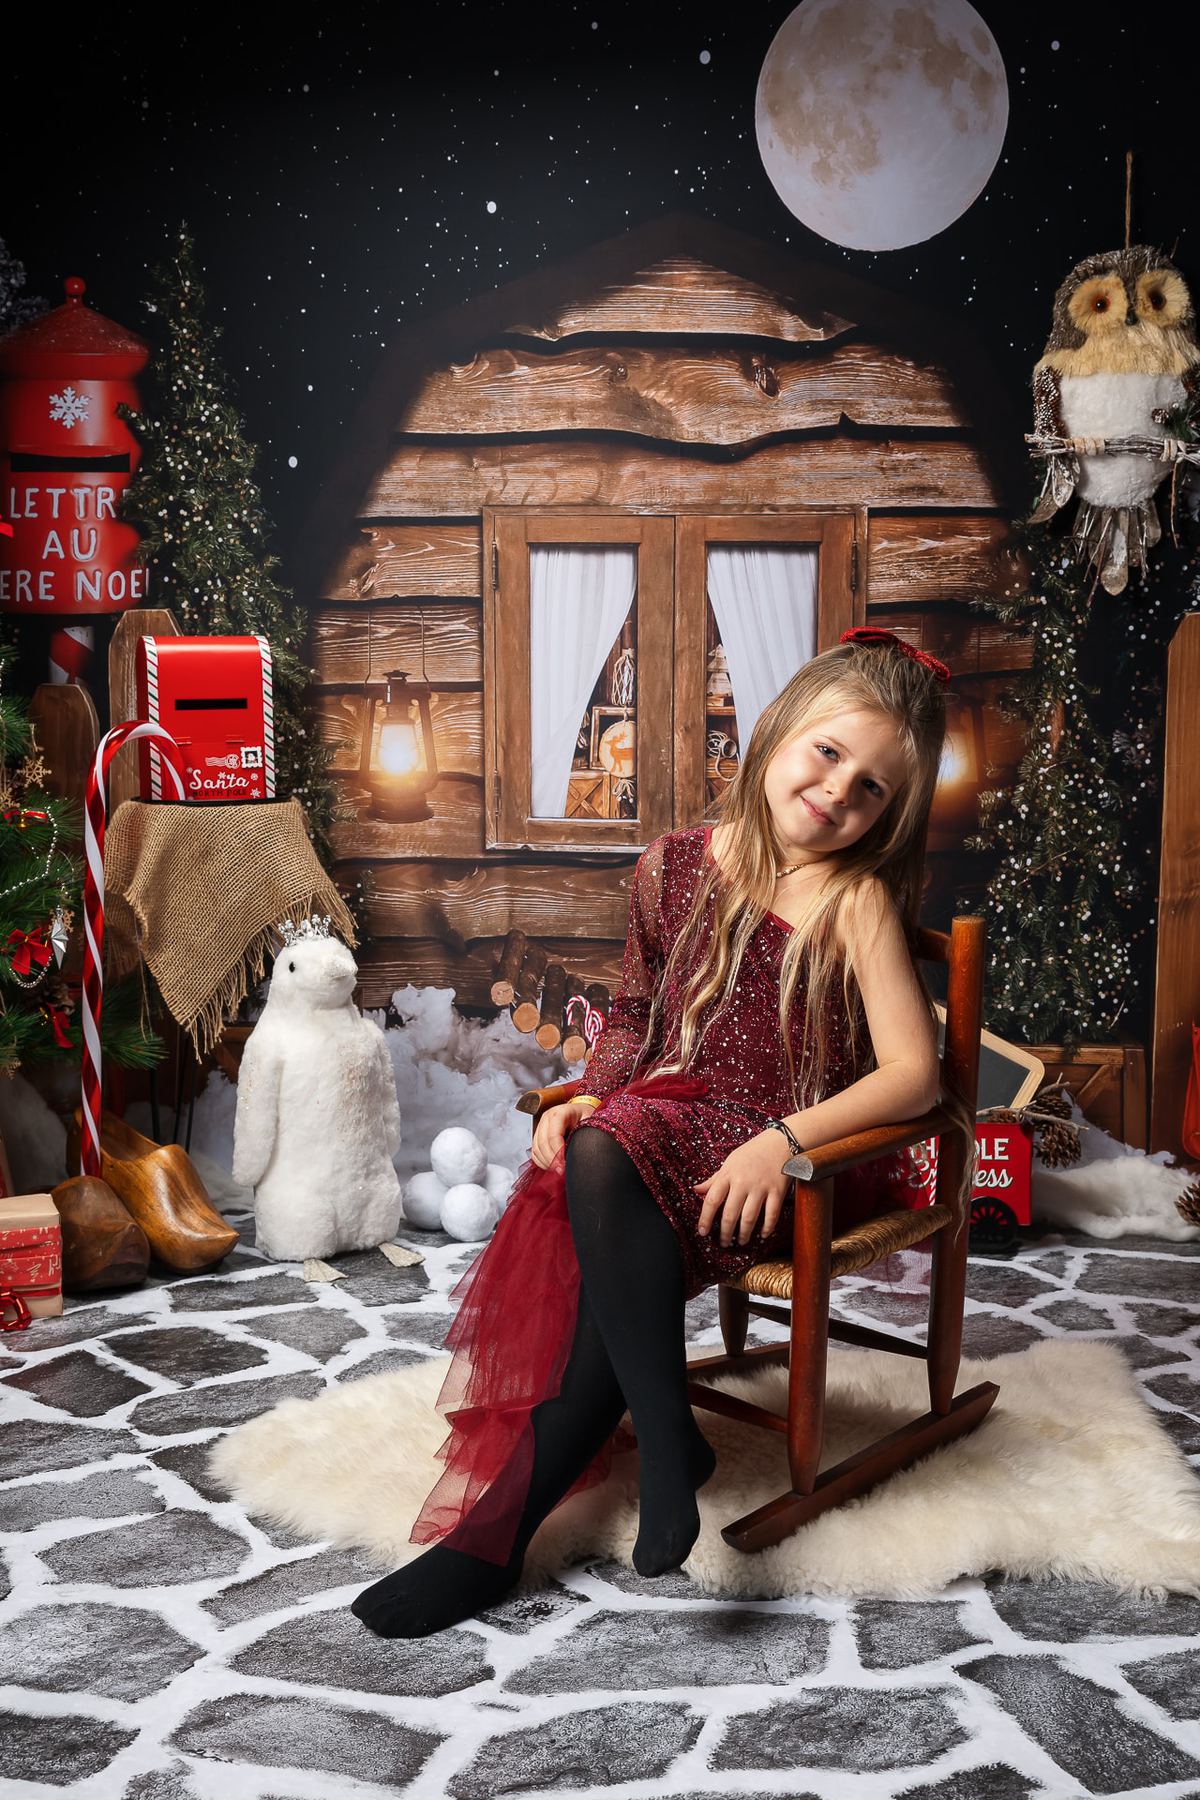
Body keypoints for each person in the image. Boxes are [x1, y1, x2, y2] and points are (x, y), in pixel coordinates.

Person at [351, 626, 978, 1639]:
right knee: (596, 1146)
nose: (836, 792)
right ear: (776, 732)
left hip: (788, 1162)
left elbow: (914, 1075)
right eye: (827, 753)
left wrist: (782, 1142)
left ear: (888, 815)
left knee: (610, 1168)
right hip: (667, 1126)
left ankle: (495, 1539)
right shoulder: (673, 865)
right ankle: (648, 1445)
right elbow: (636, 1020)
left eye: (870, 788)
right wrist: (584, 1095)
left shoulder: (853, 899)